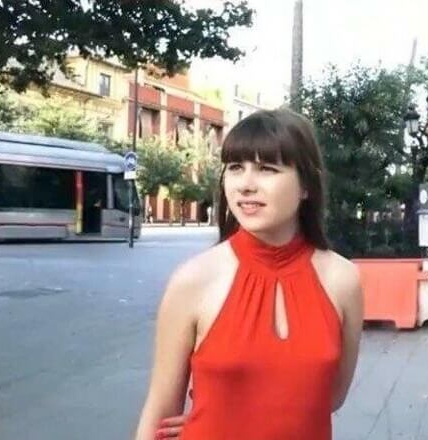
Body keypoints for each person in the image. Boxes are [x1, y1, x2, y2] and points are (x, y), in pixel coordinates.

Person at [133, 109, 363, 440]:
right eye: (235, 167)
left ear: (306, 186)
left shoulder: (343, 279)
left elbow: (331, 396)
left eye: (267, 169)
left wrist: (236, 414)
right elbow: (160, 411)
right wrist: (214, 417)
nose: (245, 185)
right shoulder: (193, 280)